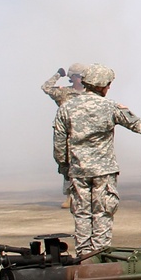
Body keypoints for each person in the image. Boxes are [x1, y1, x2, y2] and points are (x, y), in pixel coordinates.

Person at [53, 63, 141, 257]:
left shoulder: (66, 108)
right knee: (103, 212)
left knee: (82, 214)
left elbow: (59, 142)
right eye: (108, 84)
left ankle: (84, 257)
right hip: (104, 172)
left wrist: (64, 166)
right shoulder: (110, 107)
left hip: (78, 171)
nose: (109, 88)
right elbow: (139, 125)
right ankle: (100, 255)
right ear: (101, 85)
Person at [43, 63, 87, 208]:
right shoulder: (64, 92)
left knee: (84, 165)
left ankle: (82, 196)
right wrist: (57, 75)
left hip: (85, 135)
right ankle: (69, 196)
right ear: (72, 77)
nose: (82, 79)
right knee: (66, 165)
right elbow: (46, 88)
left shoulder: (90, 94)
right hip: (67, 134)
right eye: (79, 76)